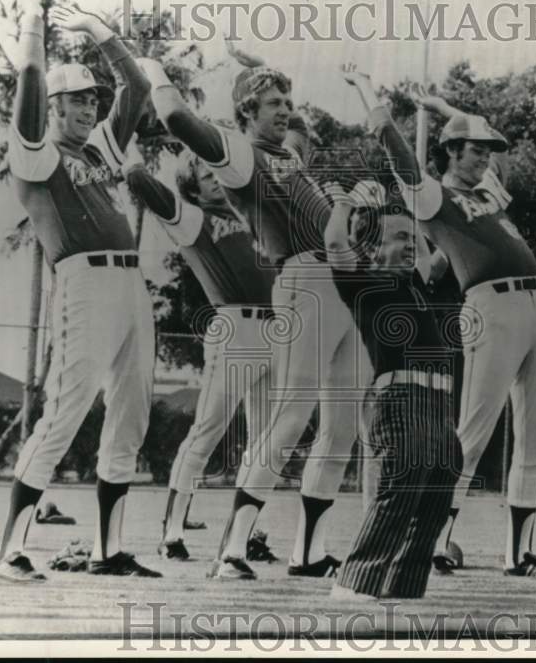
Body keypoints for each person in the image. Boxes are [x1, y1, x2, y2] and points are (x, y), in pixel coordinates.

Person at [153, 43, 372, 580]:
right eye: (271, 101)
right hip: (304, 277)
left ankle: (309, 552)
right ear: (247, 111)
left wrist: (258, 64)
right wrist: (150, 68)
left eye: (286, 100)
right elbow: (178, 117)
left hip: (344, 279)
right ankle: (232, 549)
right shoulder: (241, 153)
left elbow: (300, 127)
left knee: (341, 422)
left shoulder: (289, 154)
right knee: (291, 414)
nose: (284, 109)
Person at [344, 68, 536, 578]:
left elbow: (498, 156)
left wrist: (445, 107)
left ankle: (518, 554)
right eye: (474, 149)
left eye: (486, 150)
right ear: (451, 152)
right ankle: (436, 539)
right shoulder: (435, 196)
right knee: (471, 432)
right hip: (490, 306)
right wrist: (369, 93)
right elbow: (398, 153)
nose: (485, 156)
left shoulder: (488, 196)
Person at [0, 1, 160, 582]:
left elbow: (135, 86)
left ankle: (108, 549)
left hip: (131, 282)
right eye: (76, 100)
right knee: (65, 411)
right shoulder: (36, 153)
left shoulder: (99, 149)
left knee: (130, 413)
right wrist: (35, 33)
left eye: (91, 98)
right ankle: (9, 550)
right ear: (53, 110)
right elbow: (33, 86)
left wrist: (96, 30)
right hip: (84, 281)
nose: (88, 106)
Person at [124, 143, 276, 562]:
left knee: (267, 440)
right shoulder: (195, 219)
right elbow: (143, 185)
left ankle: (248, 535)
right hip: (236, 329)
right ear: (194, 188)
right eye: (208, 175)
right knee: (208, 431)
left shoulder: (249, 216)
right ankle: (172, 532)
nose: (218, 179)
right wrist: (133, 154)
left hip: (279, 328)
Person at [323, 181, 462, 601]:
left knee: (435, 498)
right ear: (371, 248)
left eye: (413, 237)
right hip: (401, 403)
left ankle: (401, 588)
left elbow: (450, 251)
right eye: (400, 237)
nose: (410, 245)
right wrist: (345, 203)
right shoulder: (363, 282)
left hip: (438, 406)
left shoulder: (418, 284)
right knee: (399, 491)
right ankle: (354, 584)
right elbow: (333, 239)